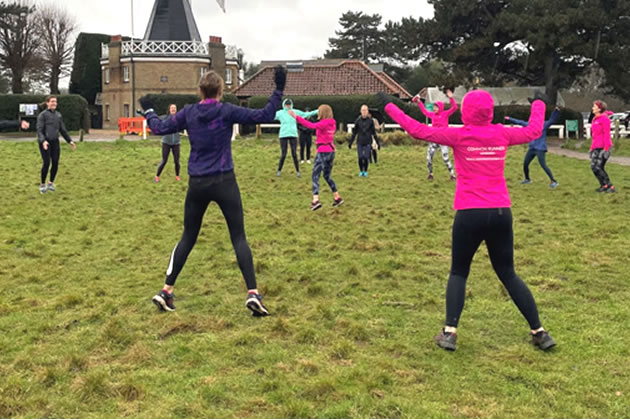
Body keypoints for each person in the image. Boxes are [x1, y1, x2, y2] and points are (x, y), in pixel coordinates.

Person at [381, 90, 556, 352]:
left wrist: (389, 107)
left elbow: (418, 130)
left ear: (466, 112)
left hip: (469, 212)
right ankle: (540, 332)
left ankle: (450, 333)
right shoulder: (502, 134)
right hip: (500, 211)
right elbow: (533, 130)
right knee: (508, 273)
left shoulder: (460, 135)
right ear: (490, 112)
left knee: (459, 271)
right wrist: (539, 104)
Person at [140, 66, 287, 316]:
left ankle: (166, 290)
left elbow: (160, 128)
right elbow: (264, 114)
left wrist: (150, 110)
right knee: (238, 237)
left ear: (200, 90)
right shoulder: (226, 110)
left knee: (188, 236)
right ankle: (253, 293)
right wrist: (278, 90)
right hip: (224, 180)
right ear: (220, 91)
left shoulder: (189, 113)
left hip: (197, 182)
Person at [290, 105, 344, 211]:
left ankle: (315, 200)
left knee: (315, 175)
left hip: (323, 151)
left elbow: (310, 125)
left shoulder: (323, 123)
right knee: (327, 176)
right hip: (331, 151)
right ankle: (337, 197)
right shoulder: (332, 122)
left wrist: (296, 117)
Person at [505, 106, 560, 188]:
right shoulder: (530, 124)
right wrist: (509, 118)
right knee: (525, 164)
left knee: (543, 165)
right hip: (532, 148)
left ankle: (553, 181)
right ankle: (527, 179)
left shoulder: (543, 125)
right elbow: (520, 122)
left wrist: (556, 111)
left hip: (540, 148)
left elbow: (552, 120)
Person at [413, 89, 457, 181]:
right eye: (433, 107)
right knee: (429, 158)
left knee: (445, 158)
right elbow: (424, 111)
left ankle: (452, 175)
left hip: (443, 139)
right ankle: (430, 174)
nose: (434, 109)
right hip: (434, 139)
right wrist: (419, 101)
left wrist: (451, 98)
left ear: (440, 107)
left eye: (436, 107)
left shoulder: (445, 114)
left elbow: (454, 108)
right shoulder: (432, 115)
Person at [36, 96, 76, 194]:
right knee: (46, 163)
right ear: (47, 103)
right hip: (45, 142)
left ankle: (50, 183)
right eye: (52, 101)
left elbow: (62, 129)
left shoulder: (58, 115)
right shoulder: (42, 115)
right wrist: (43, 141)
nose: (54, 103)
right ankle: (42, 185)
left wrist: (69, 141)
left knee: (55, 162)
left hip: (55, 142)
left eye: (55, 102)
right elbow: (39, 130)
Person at [275, 99, 318, 177]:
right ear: (284, 105)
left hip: (293, 134)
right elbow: (270, 116)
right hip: (283, 135)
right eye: (286, 105)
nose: (287, 106)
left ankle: (298, 172)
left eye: (289, 104)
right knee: (283, 154)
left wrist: (318, 111)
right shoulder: (280, 113)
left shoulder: (295, 112)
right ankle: (279, 170)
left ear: (291, 104)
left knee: (294, 154)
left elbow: (305, 114)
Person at [589, 101, 616, 193]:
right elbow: (594, 136)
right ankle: (603, 185)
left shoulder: (604, 119)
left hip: (603, 147)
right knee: (593, 167)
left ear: (599, 109)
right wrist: (591, 149)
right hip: (595, 147)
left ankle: (610, 186)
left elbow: (606, 134)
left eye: (594, 106)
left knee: (599, 167)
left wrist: (606, 149)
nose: (592, 108)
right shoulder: (595, 119)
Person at [155, 104, 182, 183]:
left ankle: (177, 176)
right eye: (172, 108)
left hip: (176, 142)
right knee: (164, 160)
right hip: (166, 142)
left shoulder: (179, 119)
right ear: (169, 109)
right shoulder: (165, 118)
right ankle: (157, 176)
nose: (173, 109)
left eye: (175, 108)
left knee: (177, 161)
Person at [348, 104, 377, 177]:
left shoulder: (370, 121)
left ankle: (365, 171)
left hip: (368, 141)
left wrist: (377, 142)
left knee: (366, 157)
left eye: (365, 110)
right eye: (363, 110)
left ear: (367, 111)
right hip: (360, 141)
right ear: (360, 111)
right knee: (360, 157)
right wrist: (350, 142)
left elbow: (374, 133)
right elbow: (354, 132)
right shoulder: (358, 121)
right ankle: (361, 171)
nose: (364, 112)